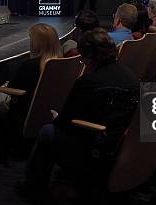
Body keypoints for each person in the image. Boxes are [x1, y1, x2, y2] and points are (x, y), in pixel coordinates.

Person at [24, 28, 139, 191]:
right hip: (121, 143)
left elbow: (67, 121)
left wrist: (55, 117)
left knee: (48, 131)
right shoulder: (131, 76)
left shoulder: (88, 82)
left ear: (89, 56)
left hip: (94, 143)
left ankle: (33, 186)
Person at [0, 23, 62, 160]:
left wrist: (5, 87)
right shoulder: (62, 63)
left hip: (23, 109)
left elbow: (14, 89)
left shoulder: (30, 66)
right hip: (48, 111)